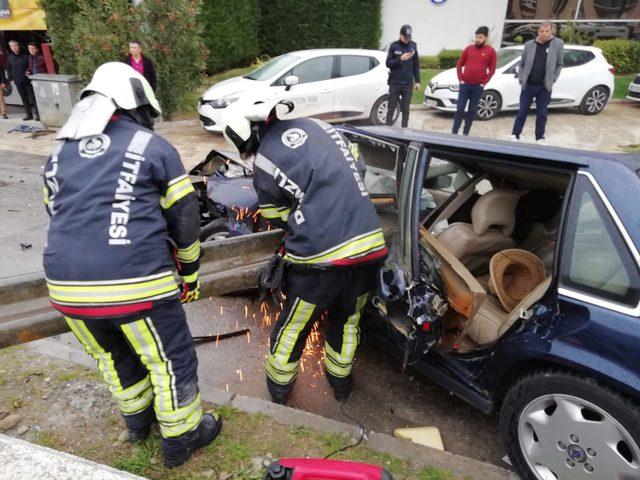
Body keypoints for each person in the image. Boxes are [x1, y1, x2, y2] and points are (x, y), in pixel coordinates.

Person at [42, 62, 221, 468]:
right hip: (135, 285)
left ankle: (137, 423)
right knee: (171, 358)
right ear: (136, 105)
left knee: (114, 356)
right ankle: (182, 437)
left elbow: (57, 213)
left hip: (66, 288)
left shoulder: (58, 153)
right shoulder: (152, 147)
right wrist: (190, 275)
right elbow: (186, 218)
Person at [220, 105, 388, 405]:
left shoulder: (266, 159)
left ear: (249, 137)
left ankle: (279, 390)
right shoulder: (320, 127)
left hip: (320, 259)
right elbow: (358, 169)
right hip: (369, 247)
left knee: (294, 325)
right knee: (349, 321)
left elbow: (274, 213)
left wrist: (304, 217)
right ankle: (341, 385)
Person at [511, 21, 564, 143]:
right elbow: (522, 63)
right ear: (538, 31)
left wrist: (553, 79)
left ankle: (539, 137)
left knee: (542, 114)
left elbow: (559, 64)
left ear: (551, 31)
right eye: (541, 31)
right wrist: (521, 78)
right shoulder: (530, 44)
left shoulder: (558, 44)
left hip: (544, 87)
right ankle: (515, 135)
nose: (544, 34)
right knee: (522, 112)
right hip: (528, 85)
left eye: (547, 31)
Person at [452, 26, 497, 136]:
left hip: (477, 87)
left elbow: (492, 70)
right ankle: (454, 131)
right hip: (465, 85)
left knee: (472, 111)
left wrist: (484, 83)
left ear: (486, 38)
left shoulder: (491, 52)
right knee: (460, 109)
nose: (477, 39)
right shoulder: (469, 49)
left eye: (480, 37)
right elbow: (459, 64)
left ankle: (466, 132)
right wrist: (460, 79)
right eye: (476, 37)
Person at [385, 24, 420, 128]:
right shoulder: (394, 46)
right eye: (405, 37)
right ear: (401, 35)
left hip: (408, 84)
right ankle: (387, 130)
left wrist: (417, 81)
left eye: (409, 37)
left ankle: (404, 131)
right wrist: (400, 59)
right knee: (391, 107)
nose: (407, 40)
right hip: (395, 83)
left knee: (406, 109)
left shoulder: (413, 46)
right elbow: (388, 63)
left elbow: (416, 65)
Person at [7, 40, 38, 121]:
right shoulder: (10, 56)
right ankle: (29, 115)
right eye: (11, 46)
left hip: (27, 80)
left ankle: (38, 114)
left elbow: (30, 66)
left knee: (33, 97)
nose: (14, 48)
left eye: (15, 46)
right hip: (17, 81)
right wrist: (11, 78)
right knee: (24, 98)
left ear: (19, 46)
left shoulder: (26, 54)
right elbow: (9, 68)